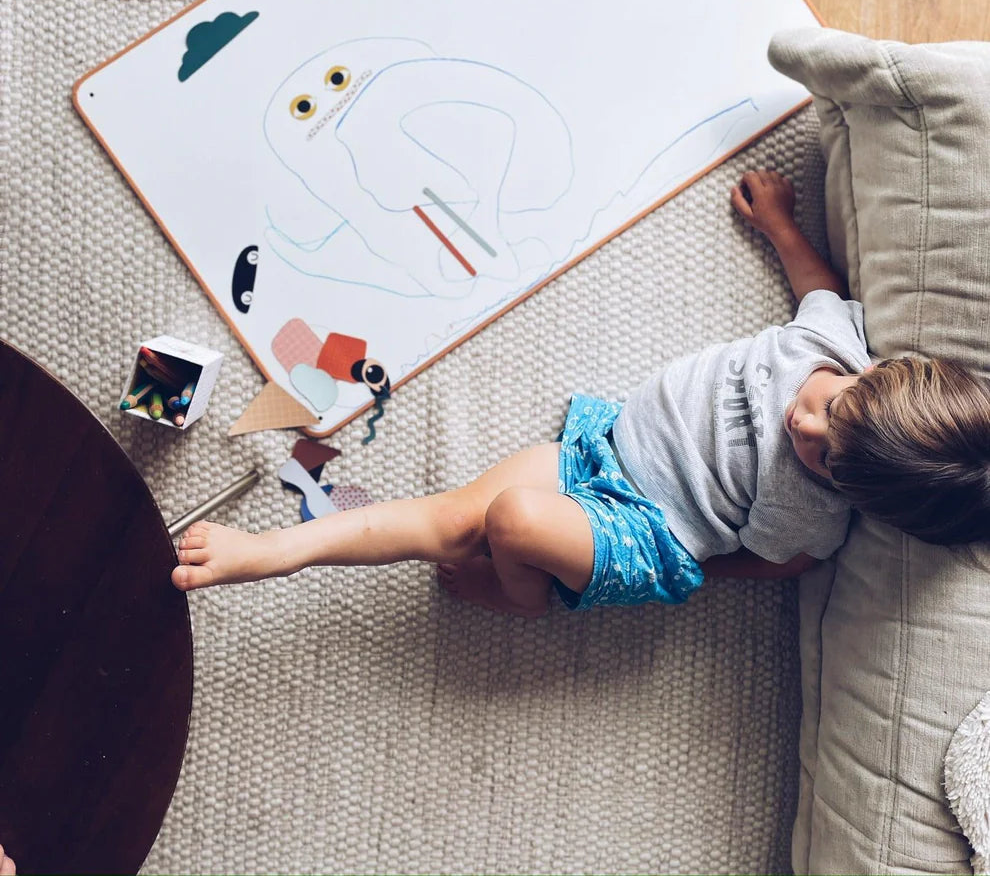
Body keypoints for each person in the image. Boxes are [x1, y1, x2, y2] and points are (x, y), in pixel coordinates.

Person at [171, 170, 990, 612]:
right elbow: (818, 287)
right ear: (871, 371)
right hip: (604, 446)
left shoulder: (813, 509)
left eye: (828, 461)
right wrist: (780, 224)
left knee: (510, 521)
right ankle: (276, 552)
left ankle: (519, 595)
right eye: (831, 412)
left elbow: (787, 564)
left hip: (648, 534)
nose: (803, 429)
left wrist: (700, 572)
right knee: (454, 520)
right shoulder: (830, 338)